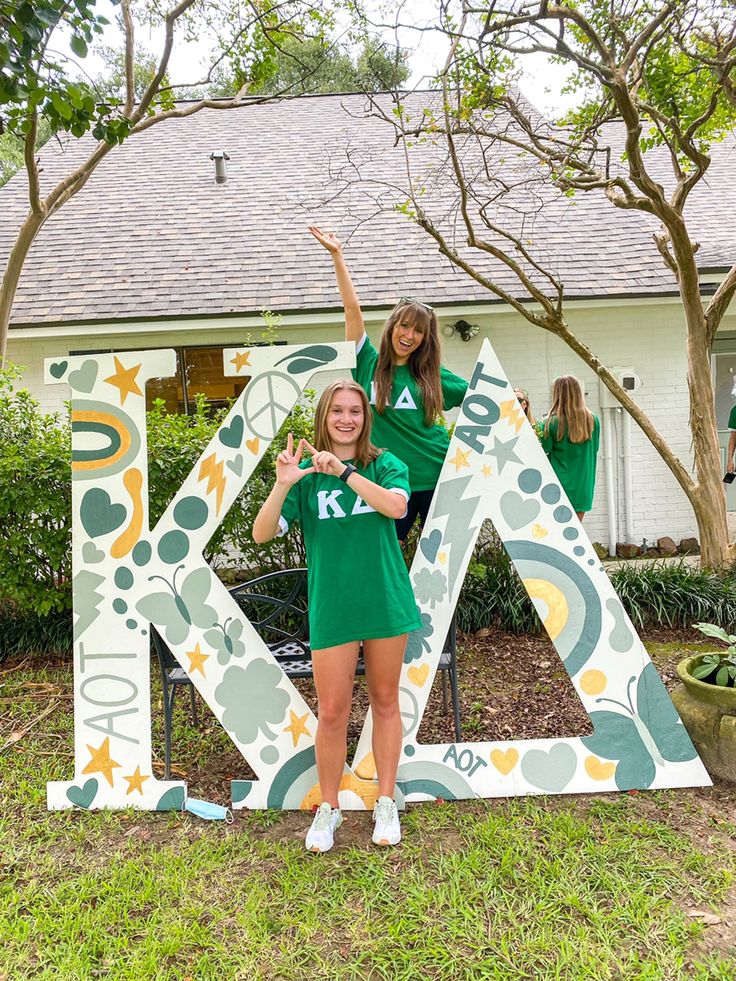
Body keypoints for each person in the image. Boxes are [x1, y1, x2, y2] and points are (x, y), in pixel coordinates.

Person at [253, 380, 421, 853]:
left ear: (365, 419)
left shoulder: (386, 464)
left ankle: (385, 801)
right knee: (331, 713)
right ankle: (328, 809)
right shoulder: (305, 476)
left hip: (386, 601)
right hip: (332, 606)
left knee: (386, 702)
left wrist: (345, 472)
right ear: (324, 418)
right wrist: (283, 484)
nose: (346, 419)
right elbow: (262, 533)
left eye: (355, 411)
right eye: (337, 411)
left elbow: (396, 506)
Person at [308, 226, 468, 540]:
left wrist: (514, 395)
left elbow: (482, 395)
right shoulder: (367, 362)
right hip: (390, 481)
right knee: (384, 551)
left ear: (425, 338)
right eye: (405, 326)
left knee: (443, 561)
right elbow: (352, 310)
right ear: (393, 326)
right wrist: (337, 256)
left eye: (418, 331)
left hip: (439, 475)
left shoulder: (433, 374)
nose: (409, 336)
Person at [540, 376, 600, 521]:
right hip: (583, 483)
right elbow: (595, 449)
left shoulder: (550, 422)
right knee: (576, 533)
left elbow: (545, 449)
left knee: (557, 533)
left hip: (558, 484)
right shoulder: (593, 420)